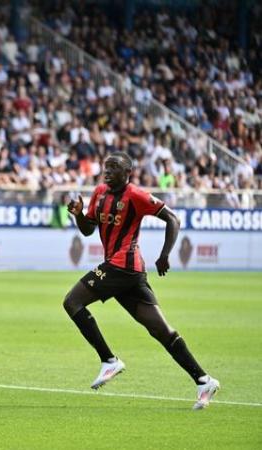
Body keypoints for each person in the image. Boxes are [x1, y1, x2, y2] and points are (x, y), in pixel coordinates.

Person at [63, 152, 220, 410]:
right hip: (128, 274)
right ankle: (204, 380)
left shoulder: (136, 195)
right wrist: (79, 214)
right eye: (106, 166)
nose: (107, 171)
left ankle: (109, 360)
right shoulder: (100, 192)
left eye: (114, 167)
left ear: (128, 173)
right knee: (160, 330)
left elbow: (173, 218)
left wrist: (165, 254)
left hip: (122, 267)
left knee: (72, 302)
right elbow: (89, 229)